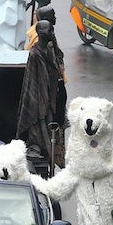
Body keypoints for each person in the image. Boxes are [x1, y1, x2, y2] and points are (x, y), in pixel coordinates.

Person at [17, 16, 67, 165]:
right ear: (40, 32)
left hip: (53, 94)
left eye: (51, 29)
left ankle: (47, 148)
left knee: (52, 122)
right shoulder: (35, 54)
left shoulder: (51, 49)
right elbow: (32, 82)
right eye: (48, 29)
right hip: (39, 96)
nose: (51, 31)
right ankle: (35, 146)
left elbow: (58, 68)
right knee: (38, 119)